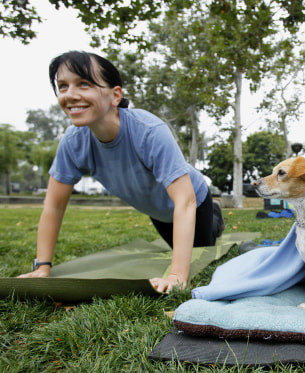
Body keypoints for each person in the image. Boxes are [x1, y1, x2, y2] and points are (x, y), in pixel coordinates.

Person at [18, 51, 224, 293]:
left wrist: (177, 275)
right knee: (174, 247)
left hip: (193, 200)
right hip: (157, 210)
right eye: (62, 86)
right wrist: (42, 267)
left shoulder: (148, 130)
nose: (70, 95)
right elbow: (53, 205)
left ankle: (215, 217)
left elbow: (185, 200)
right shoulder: (74, 142)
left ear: (115, 95)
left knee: (203, 248)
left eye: (83, 84)